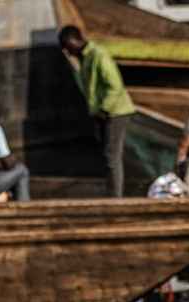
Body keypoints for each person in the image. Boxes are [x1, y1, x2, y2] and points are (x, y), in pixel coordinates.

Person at [59, 25, 135, 198]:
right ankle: (112, 193)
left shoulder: (98, 55)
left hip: (115, 112)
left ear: (74, 40)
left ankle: (116, 199)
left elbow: (115, 86)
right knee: (107, 156)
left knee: (112, 157)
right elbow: (88, 89)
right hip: (102, 113)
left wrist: (103, 109)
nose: (66, 50)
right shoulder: (84, 59)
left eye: (66, 45)